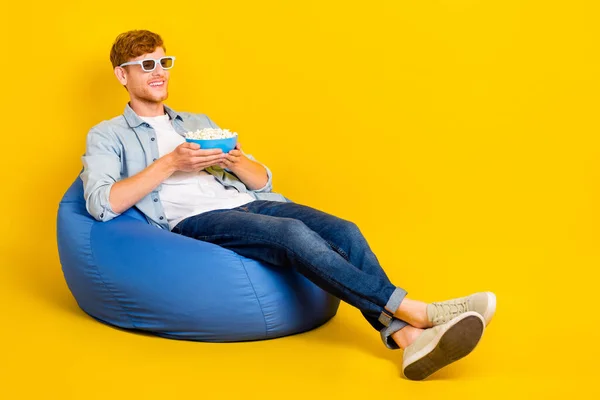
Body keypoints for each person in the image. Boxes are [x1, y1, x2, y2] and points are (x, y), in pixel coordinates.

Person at [81, 29, 496, 380]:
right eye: (146, 65)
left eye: (164, 62)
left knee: (343, 230)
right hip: (194, 221)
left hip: (247, 202)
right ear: (122, 75)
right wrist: (172, 162)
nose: (158, 73)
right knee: (293, 235)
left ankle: (406, 339)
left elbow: (264, 182)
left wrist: (236, 159)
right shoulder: (107, 134)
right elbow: (101, 204)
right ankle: (418, 311)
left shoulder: (196, 121)